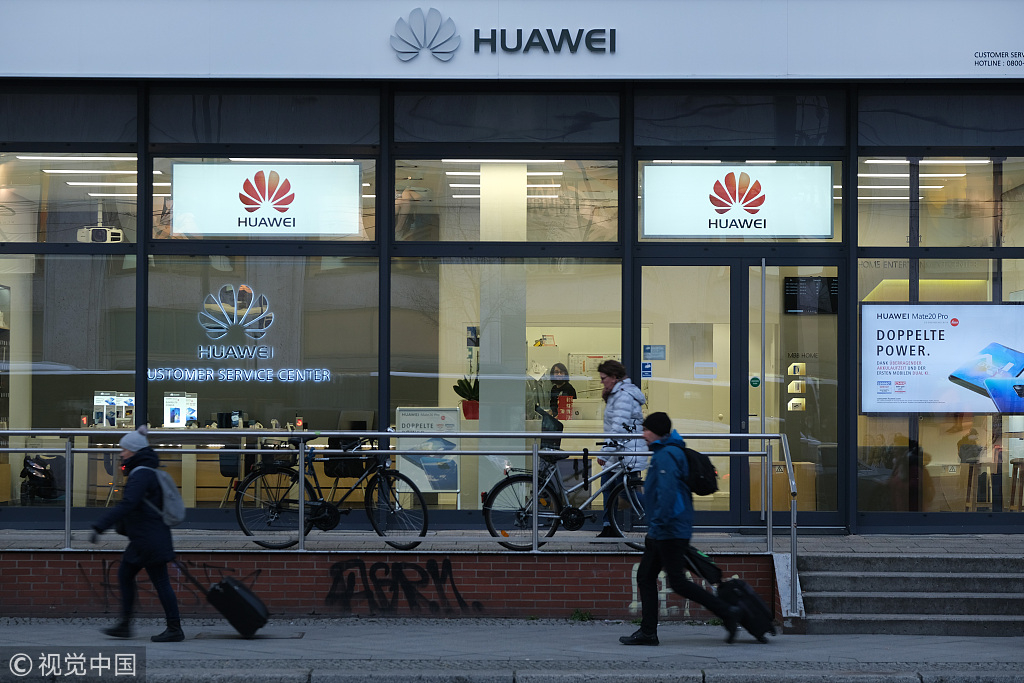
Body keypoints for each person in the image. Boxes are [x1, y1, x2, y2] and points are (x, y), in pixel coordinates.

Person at [619, 412, 741, 646]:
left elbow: (667, 496)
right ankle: (648, 632)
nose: (643, 435)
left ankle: (727, 612)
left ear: (656, 432)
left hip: (669, 530)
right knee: (646, 576)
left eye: (646, 430)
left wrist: (658, 527)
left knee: (677, 582)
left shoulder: (666, 456)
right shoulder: (667, 452)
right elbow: (659, 495)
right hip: (667, 528)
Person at [90, 425, 184, 642]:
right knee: (128, 574)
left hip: (148, 539)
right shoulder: (145, 471)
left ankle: (173, 628)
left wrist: (100, 526)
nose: (122, 453)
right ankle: (127, 624)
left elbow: (128, 504)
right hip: (147, 537)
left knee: (158, 581)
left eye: (124, 450)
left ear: (134, 451)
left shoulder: (141, 474)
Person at [596, 359, 646, 538]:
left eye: (604, 378)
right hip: (617, 452)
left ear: (614, 377)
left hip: (626, 453)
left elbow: (618, 429)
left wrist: (604, 453)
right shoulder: (616, 394)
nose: (602, 382)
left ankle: (661, 515)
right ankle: (609, 527)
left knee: (626, 493)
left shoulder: (623, 396)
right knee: (607, 487)